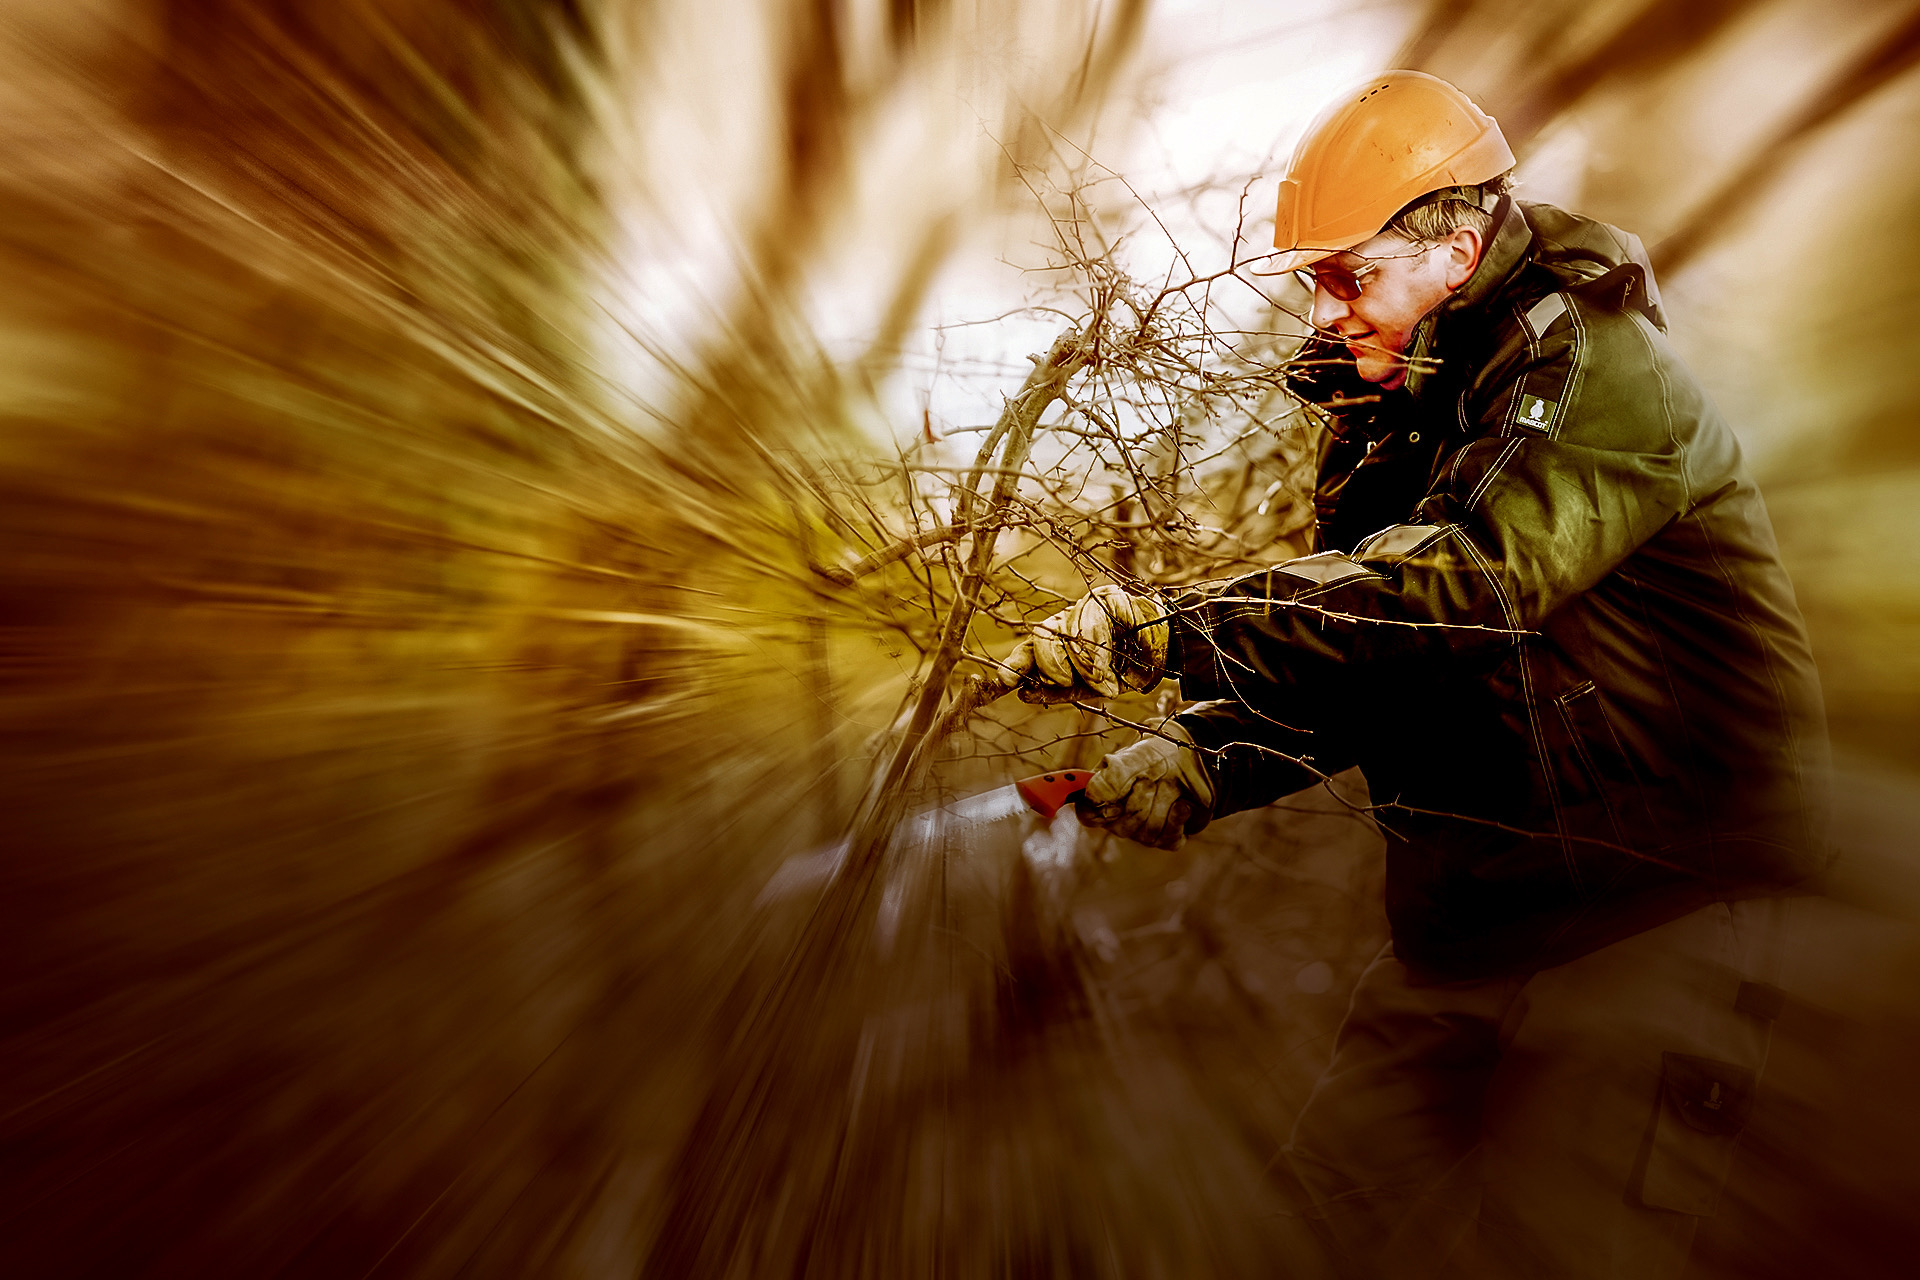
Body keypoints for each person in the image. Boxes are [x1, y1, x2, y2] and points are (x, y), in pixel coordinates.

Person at [1005, 70, 1830, 1278]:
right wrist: (1205, 758)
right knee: (1303, 1231)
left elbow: (1457, 592)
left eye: (1351, 277)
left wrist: (1164, 629)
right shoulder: (1389, 416)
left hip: (1658, 906)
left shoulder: (1595, 367)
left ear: (1458, 249)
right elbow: (1371, 650)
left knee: (1558, 1248)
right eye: (1315, 280)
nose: (1325, 310)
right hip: (1472, 920)